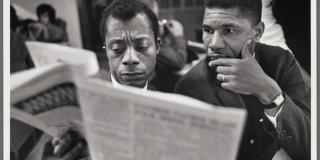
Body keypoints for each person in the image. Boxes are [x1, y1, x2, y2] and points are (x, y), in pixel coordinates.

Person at [175, 0, 310, 159]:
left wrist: (268, 91)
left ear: (258, 32)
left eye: (229, 30)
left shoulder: (281, 62)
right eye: (208, 30)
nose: (214, 44)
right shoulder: (190, 87)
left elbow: (310, 146)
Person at [42, 0, 160, 159]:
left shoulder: (167, 107)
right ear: (106, 50)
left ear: (157, 47)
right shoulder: (74, 109)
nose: (130, 59)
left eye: (142, 46)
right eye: (117, 49)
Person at [137, 0, 187, 92]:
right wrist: (178, 35)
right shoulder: (146, 38)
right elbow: (178, 61)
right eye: (156, 17)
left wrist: (162, 35)